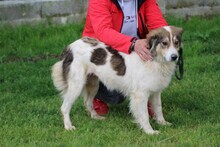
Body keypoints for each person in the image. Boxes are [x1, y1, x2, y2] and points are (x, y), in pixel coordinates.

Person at [82, 0, 168, 116]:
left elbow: (158, 25)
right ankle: (97, 95)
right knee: (116, 95)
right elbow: (103, 31)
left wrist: (167, 43)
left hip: (134, 50)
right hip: (103, 51)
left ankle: (147, 97)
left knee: (165, 58)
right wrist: (133, 43)